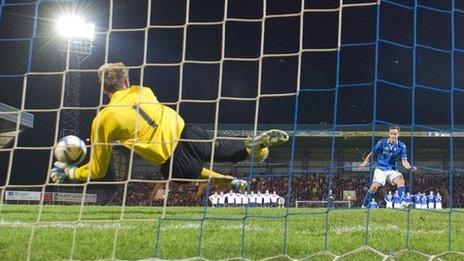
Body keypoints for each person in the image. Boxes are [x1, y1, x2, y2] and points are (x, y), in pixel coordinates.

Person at [49, 63, 289, 193]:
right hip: (188, 131)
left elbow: (99, 171)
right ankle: (253, 148)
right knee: (226, 151)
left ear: (104, 90)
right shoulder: (144, 90)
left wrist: (71, 172)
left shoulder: (103, 120)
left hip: (173, 159)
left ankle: (225, 180)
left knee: (182, 175)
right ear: (127, 82)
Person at [359, 125, 416, 208]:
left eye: (395, 134)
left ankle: (403, 202)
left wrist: (410, 167)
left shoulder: (402, 146)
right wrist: (364, 163)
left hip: (391, 169)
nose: (393, 136)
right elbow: (372, 154)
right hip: (380, 168)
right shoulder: (381, 143)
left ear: (398, 135)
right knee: (374, 187)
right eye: (391, 134)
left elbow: (404, 161)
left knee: (401, 180)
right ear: (389, 134)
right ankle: (364, 204)